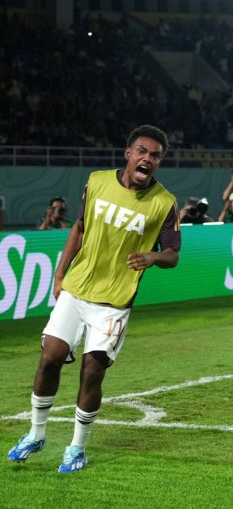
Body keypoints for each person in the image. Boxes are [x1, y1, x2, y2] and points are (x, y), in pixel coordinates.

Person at [7, 125, 180, 473]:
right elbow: (80, 227)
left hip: (114, 301)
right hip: (77, 289)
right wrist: (60, 274)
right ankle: (36, 433)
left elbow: (173, 254)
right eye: (142, 151)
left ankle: (76, 448)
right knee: (50, 358)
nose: (148, 159)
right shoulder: (97, 181)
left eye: (155, 155)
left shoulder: (165, 202)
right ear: (128, 153)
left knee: (92, 372)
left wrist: (152, 257)